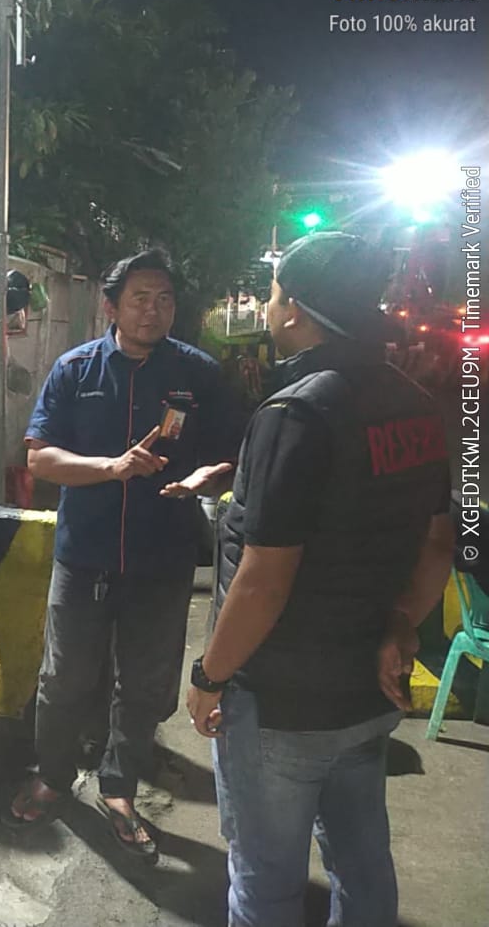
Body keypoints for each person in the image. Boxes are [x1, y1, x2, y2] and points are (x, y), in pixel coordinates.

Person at [187, 232, 453, 926]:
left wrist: (210, 675)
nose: (268, 307)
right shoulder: (414, 402)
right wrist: (400, 623)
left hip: (281, 702)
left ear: (296, 309)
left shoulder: (297, 412)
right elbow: (436, 543)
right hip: (368, 689)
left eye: (274, 293)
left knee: (265, 884)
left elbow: (264, 582)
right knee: (362, 868)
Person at [7, 248, 240, 859]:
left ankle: (119, 788)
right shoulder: (75, 369)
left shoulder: (198, 373)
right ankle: (52, 775)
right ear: (111, 306)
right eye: (139, 298)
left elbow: (230, 455)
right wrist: (111, 468)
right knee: (64, 677)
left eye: (164, 299)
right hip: (84, 554)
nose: (152, 310)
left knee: (142, 684)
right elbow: (39, 458)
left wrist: (205, 478)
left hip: (163, 558)